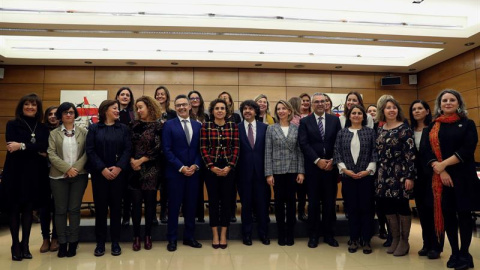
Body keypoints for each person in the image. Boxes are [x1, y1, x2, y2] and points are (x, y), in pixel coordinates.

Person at [424, 89, 478, 270]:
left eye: (452, 100)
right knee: (448, 217)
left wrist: (443, 164)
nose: (448, 103)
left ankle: (465, 253)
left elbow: (467, 149)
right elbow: (426, 152)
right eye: (444, 100)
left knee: (464, 215)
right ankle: (454, 252)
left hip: (464, 178)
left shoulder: (468, 124)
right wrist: (441, 171)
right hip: (442, 179)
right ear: (439, 105)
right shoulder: (432, 127)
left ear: (458, 103)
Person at [2, 93, 49, 261]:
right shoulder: (13, 124)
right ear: (21, 107)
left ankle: (26, 245)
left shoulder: (42, 127)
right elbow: (10, 145)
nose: (31, 107)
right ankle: (15, 244)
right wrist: (32, 148)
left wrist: (21, 145)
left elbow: (44, 146)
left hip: (34, 173)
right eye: (27, 104)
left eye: (34, 105)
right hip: (15, 172)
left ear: (38, 108)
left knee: (29, 210)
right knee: (14, 209)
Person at [86, 100, 131, 257]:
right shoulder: (94, 128)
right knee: (100, 210)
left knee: (117, 209)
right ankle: (100, 243)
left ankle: (115, 242)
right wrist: (102, 169)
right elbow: (90, 151)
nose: (117, 111)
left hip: (119, 175)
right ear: (105, 110)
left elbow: (127, 149)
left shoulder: (124, 129)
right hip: (100, 176)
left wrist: (119, 167)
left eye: (118, 109)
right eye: (114, 108)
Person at [298, 92, 341, 248]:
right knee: (314, 204)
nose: (320, 104)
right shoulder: (305, 122)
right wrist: (317, 160)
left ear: (326, 103)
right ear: (312, 104)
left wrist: (333, 161)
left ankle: (329, 235)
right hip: (313, 169)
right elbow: (303, 144)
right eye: (316, 102)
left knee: (330, 204)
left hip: (331, 169)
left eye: (322, 101)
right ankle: (313, 235)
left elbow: (339, 142)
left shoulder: (335, 121)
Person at [334, 105, 377, 254]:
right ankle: (353, 238)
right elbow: (337, 153)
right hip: (348, 177)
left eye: (359, 113)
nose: (357, 115)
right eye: (354, 113)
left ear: (363, 116)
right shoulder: (342, 133)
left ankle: (366, 239)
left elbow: (374, 152)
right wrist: (345, 170)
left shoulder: (370, 133)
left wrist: (368, 170)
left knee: (366, 209)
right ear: (349, 116)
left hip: (366, 177)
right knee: (352, 209)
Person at [375, 97, 415, 257]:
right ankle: (395, 239)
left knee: (402, 206)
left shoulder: (405, 129)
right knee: (388, 207)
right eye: (388, 108)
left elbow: (411, 154)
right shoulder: (380, 129)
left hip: (401, 173)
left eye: (394, 107)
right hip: (383, 173)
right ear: (383, 111)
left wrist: (410, 177)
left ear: (398, 110)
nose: (391, 110)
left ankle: (404, 241)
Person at [47, 102, 88, 258]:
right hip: (58, 177)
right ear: (61, 116)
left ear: (75, 114)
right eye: (65, 113)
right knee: (60, 210)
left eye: (71, 112)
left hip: (79, 176)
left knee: (74, 210)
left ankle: (73, 242)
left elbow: (86, 153)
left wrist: (75, 169)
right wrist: (67, 169)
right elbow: (51, 154)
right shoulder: (54, 134)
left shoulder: (84, 132)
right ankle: (62, 243)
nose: (68, 115)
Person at [163, 95, 203, 252]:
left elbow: (201, 149)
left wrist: (195, 165)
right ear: (175, 107)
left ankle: (189, 237)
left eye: (184, 104)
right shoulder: (168, 125)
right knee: (173, 207)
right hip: (175, 173)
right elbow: (166, 149)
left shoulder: (198, 125)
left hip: (193, 173)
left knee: (191, 207)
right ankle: (172, 239)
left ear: (189, 106)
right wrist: (181, 167)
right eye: (178, 105)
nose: (181, 107)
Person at [200, 98, 239, 249]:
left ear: (226, 111)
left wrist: (230, 166)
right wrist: (211, 166)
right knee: (214, 202)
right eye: (217, 108)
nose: (220, 110)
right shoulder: (206, 126)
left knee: (227, 203)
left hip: (228, 168)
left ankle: (224, 234)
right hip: (211, 168)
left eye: (222, 108)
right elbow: (203, 148)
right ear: (212, 111)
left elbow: (236, 148)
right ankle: (215, 234)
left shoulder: (233, 126)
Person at [265, 100, 305, 246]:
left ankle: (290, 234)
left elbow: (300, 152)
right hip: (277, 171)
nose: (281, 111)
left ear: (289, 111)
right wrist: (269, 173)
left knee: (292, 203)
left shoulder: (296, 128)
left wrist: (301, 171)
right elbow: (268, 152)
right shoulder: (271, 129)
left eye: (284, 108)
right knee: (279, 204)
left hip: (293, 170)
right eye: (278, 109)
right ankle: (281, 234)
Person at [409, 100, 443, 259]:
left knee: (434, 210)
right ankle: (426, 243)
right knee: (422, 212)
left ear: (427, 111)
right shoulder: (409, 130)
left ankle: (436, 246)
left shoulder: (434, 129)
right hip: (417, 177)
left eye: (420, 108)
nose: (417, 111)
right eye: (414, 109)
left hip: (433, 175)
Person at [129, 96, 162, 251]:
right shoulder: (133, 125)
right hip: (134, 170)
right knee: (135, 205)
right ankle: (136, 236)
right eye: (137, 108)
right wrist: (131, 161)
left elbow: (158, 148)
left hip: (151, 170)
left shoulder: (159, 126)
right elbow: (127, 145)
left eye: (141, 107)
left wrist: (141, 160)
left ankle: (148, 236)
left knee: (150, 206)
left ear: (149, 107)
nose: (138, 110)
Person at [236, 100, 270, 246]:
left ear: (256, 111)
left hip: (262, 174)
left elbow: (269, 151)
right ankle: (247, 235)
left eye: (250, 109)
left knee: (262, 205)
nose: (247, 111)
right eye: (245, 109)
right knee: (246, 206)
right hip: (243, 174)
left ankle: (264, 234)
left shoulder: (265, 128)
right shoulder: (236, 128)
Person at [154, 85, 176, 224]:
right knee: (153, 184)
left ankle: (163, 212)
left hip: (168, 153)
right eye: (158, 94)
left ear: (167, 96)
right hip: (153, 153)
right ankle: (152, 215)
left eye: (163, 94)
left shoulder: (173, 113)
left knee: (166, 185)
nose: (160, 96)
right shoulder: (151, 112)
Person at [39, 106, 60, 253]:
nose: (52, 116)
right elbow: (37, 148)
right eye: (50, 114)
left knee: (59, 207)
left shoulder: (65, 131)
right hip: (42, 173)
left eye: (55, 114)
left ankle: (56, 238)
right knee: (44, 207)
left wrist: (49, 155)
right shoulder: (40, 130)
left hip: (59, 172)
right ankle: (45, 238)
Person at [218, 91, 241, 223]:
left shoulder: (236, 117)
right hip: (218, 157)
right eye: (221, 99)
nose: (224, 100)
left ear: (230, 102)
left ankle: (231, 212)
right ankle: (221, 211)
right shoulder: (214, 117)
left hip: (232, 157)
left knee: (231, 188)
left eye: (226, 98)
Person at [188, 90, 209, 223]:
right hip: (189, 154)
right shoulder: (185, 115)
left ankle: (200, 214)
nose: (195, 100)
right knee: (190, 186)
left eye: (197, 97)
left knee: (200, 185)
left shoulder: (206, 116)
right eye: (192, 98)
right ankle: (189, 213)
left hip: (204, 154)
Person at [115, 87, 135, 227]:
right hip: (115, 154)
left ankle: (127, 215)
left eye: (128, 95)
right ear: (117, 97)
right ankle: (118, 214)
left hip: (131, 155)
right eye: (122, 94)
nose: (125, 97)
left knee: (129, 189)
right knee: (118, 189)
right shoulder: (113, 112)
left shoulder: (134, 114)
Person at [288, 97, 308, 222]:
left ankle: (300, 211)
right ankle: (300, 212)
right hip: (294, 159)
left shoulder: (303, 119)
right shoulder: (294, 121)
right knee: (300, 189)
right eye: (301, 104)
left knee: (301, 189)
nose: (304, 106)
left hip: (302, 159)